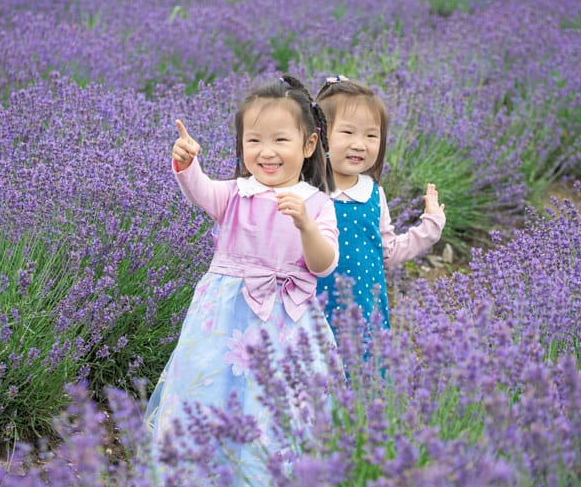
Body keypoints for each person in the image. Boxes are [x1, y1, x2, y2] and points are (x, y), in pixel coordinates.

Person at [145, 75, 339, 485]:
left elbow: (323, 265)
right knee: (208, 391)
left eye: (280, 141)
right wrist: (186, 162)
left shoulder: (318, 204)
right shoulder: (234, 194)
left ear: (309, 145)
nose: (266, 153)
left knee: (276, 404)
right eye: (254, 141)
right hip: (223, 325)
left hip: (287, 326)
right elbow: (199, 190)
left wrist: (305, 225)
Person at [315, 76, 446, 333]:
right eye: (348, 132)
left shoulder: (373, 195)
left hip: (364, 313)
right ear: (319, 136)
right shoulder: (306, 191)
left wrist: (430, 226)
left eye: (371, 135)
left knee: (361, 370)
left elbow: (388, 252)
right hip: (311, 315)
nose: (359, 144)